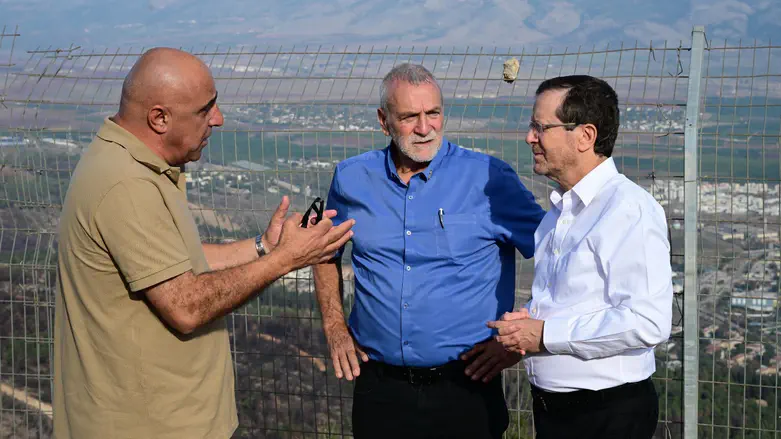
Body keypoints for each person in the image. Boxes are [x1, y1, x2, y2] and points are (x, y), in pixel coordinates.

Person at [53, 47, 355, 439]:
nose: (218, 118)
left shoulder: (132, 165)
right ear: (159, 118)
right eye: (204, 109)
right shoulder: (126, 186)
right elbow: (186, 306)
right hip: (149, 425)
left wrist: (263, 246)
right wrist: (285, 260)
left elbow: (174, 264)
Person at [313, 63, 546, 439]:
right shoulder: (352, 178)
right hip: (379, 387)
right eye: (409, 117)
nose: (425, 129)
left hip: (466, 386)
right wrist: (334, 326)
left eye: (433, 113)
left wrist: (521, 338)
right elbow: (324, 252)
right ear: (383, 120)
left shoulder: (489, 178)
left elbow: (559, 257)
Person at [487, 75, 673, 439]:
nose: (530, 137)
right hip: (558, 411)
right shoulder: (560, 211)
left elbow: (648, 321)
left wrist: (544, 335)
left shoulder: (628, 210)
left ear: (585, 136)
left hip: (606, 413)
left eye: (541, 127)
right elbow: (578, 299)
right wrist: (530, 323)